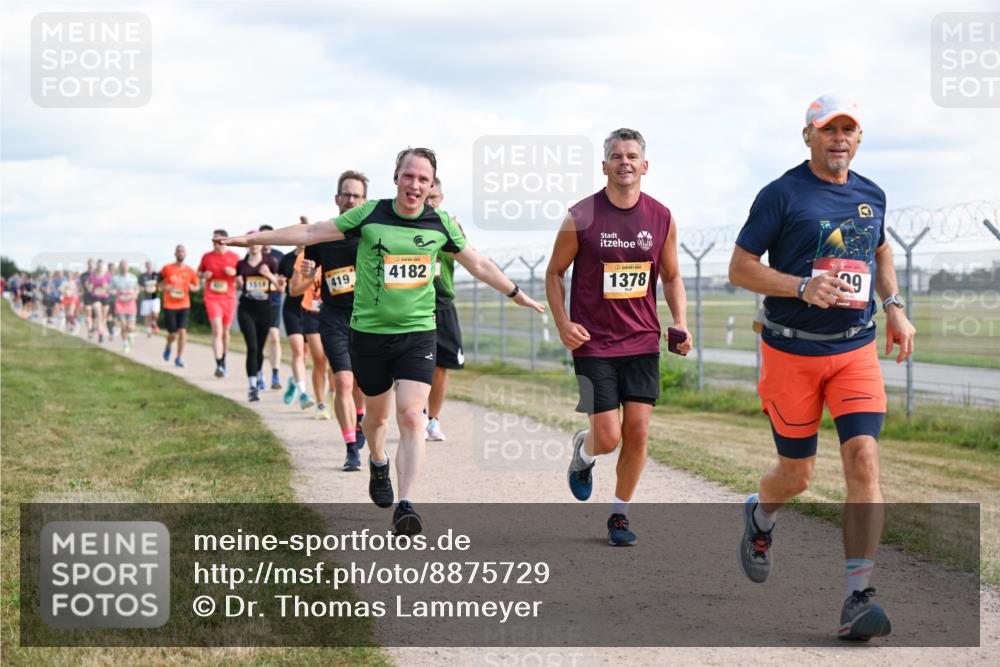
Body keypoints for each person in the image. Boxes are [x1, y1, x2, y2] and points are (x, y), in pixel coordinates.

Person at [222, 148, 544, 535]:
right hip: (370, 335)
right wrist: (250, 239)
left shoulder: (439, 222)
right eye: (409, 176)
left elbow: (477, 263)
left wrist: (515, 293)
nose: (415, 185)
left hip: (418, 332)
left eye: (424, 179)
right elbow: (310, 232)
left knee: (411, 415)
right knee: (377, 419)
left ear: (431, 185)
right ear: (396, 178)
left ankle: (406, 505)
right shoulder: (370, 214)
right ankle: (377, 461)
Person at [728, 94, 916, 641]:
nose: (838, 138)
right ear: (807, 136)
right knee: (797, 476)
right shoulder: (781, 194)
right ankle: (760, 516)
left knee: (863, 460)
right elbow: (740, 268)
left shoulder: (871, 194)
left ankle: (858, 597)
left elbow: (879, 250)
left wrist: (895, 307)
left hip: (854, 349)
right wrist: (800, 287)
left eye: (848, 130)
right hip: (791, 350)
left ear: (859, 139)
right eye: (827, 129)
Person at [546, 128, 691, 547]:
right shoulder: (582, 215)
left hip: (642, 339)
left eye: (631, 156)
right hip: (593, 342)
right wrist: (562, 324)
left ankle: (620, 514)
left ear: (644, 166)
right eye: (616, 156)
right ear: (604, 165)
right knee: (608, 436)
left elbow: (672, 275)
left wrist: (679, 320)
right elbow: (554, 273)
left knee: (640, 431)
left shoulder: (661, 216)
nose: (624, 162)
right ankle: (585, 451)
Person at [297, 170, 372, 469]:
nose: (351, 199)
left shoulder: (371, 233)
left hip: (367, 319)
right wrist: (307, 272)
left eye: (357, 195)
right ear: (337, 198)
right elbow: (310, 266)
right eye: (347, 194)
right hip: (334, 317)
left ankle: (360, 419)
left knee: (363, 385)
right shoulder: (323, 234)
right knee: (343, 380)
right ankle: (351, 447)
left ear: (364, 200)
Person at [424, 177, 465, 442]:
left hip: (442, 302)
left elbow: (466, 255)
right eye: (425, 197)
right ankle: (414, 412)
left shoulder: (448, 226)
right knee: (412, 365)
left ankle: (432, 419)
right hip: (412, 303)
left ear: (441, 199)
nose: (429, 202)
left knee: (441, 367)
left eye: (434, 197)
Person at [278, 217, 318, 411]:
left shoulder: (315, 257)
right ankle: (303, 393)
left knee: (306, 355)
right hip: (292, 309)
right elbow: (287, 287)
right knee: (297, 350)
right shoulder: (286, 260)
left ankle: (295, 380)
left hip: (311, 311)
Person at [235, 236, 281, 401]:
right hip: (247, 308)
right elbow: (237, 285)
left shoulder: (271, 261)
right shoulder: (241, 264)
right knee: (252, 347)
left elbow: (280, 287)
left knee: (260, 348)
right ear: (247, 247)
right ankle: (253, 386)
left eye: (256, 243)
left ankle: (259, 373)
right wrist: (238, 284)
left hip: (264, 309)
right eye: (250, 244)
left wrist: (269, 275)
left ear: (261, 245)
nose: (253, 246)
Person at [198, 231, 240, 377]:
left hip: (229, 298)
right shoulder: (207, 256)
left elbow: (241, 278)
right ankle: (219, 364)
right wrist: (204, 275)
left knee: (226, 331)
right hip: (212, 297)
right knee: (217, 330)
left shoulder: (234, 257)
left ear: (225, 240)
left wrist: (233, 273)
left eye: (218, 239)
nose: (215, 242)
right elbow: (199, 273)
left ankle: (224, 359)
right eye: (213, 239)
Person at [160, 244, 200, 368]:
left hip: (184, 304)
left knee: (182, 331)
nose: (180, 253)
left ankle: (178, 357)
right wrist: (164, 287)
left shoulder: (190, 271)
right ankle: (168, 346)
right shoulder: (166, 268)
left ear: (185, 254)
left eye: (182, 251)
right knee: (172, 334)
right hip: (169, 305)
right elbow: (157, 282)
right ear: (175, 253)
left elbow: (197, 286)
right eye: (178, 251)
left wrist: (193, 288)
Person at [260, 225, 286, 391]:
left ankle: (275, 374)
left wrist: (271, 277)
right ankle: (259, 373)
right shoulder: (254, 255)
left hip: (274, 302)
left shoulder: (279, 256)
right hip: (256, 303)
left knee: (274, 337)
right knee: (259, 340)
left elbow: (283, 282)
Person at [111, 260, 139, 352]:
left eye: (125, 265)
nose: (123, 267)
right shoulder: (115, 279)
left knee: (130, 327)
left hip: (131, 303)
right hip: (120, 303)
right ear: (119, 267)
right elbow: (110, 289)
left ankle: (130, 335)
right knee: (123, 325)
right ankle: (125, 343)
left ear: (128, 267)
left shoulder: (133, 277)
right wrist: (114, 292)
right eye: (122, 266)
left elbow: (137, 289)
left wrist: (135, 294)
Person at [88, 260, 112, 342]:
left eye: (101, 265)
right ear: (97, 266)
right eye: (98, 265)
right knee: (99, 315)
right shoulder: (92, 276)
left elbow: (111, 286)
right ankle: (100, 334)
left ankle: (101, 330)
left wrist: (106, 286)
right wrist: (91, 287)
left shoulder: (107, 275)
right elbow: (89, 286)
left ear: (103, 266)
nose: (100, 267)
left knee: (104, 317)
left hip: (105, 297)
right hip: (96, 297)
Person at [138, 260, 161, 337]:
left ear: (152, 266)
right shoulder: (142, 276)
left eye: (150, 265)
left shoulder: (156, 275)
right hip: (146, 298)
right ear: (145, 266)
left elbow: (160, 285)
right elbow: (140, 287)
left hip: (155, 298)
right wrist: (145, 289)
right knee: (147, 315)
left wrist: (157, 288)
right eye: (147, 265)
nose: (148, 266)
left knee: (155, 313)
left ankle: (154, 323)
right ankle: (148, 330)